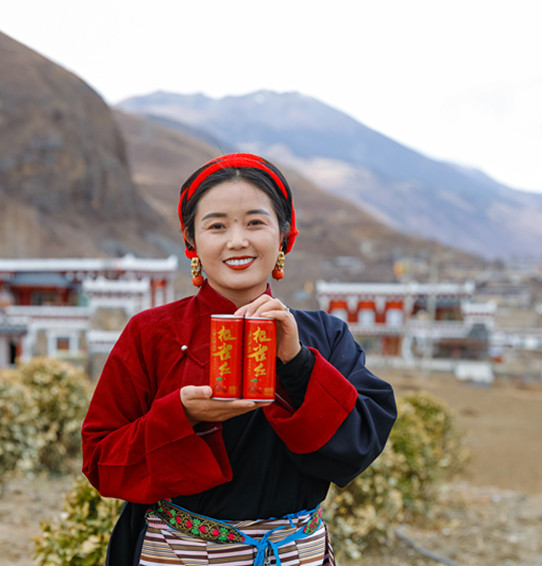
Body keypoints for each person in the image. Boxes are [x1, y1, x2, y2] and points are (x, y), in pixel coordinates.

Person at [82, 153, 396, 566]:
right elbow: (102, 461)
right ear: (191, 242)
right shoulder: (151, 333)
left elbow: (360, 444)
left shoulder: (324, 334)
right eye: (216, 225)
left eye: (254, 222)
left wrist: (298, 363)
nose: (237, 241)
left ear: (283, 235)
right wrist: (182, 417)